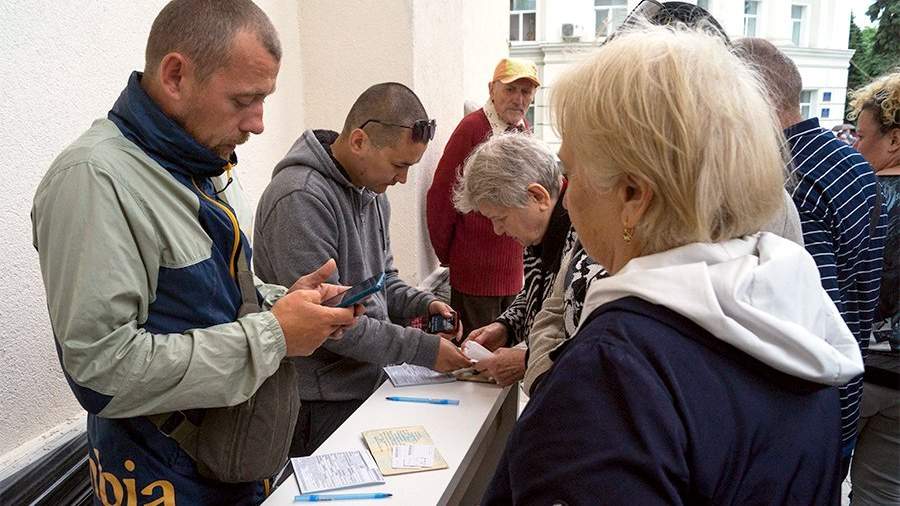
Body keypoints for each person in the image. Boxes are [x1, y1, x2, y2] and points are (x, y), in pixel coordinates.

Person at [483, 23, 863, 504]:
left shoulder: (616, 375)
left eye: (571, 173)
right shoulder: (795, 317)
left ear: (633, 196)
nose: (567, 197)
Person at [31, 1, 360, 504]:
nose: (259, 123)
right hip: (160, 481)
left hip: (229, 467)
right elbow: (101, 372)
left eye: (265, 99)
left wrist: (286, 304)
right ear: (175, 76)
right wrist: (275, 334)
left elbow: (210, 300)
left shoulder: (198, 159)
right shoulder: (93, 179)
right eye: (244, 100)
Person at [253, 83, 471, 457]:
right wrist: (424, 348)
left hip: (368, 382)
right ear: (359, 141)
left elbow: (383, 282)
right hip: (316, 403)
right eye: (399, 165)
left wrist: (422, 305)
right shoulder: (300, 198)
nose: (403, 180)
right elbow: (329, 325)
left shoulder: (372, 194)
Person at [734, 38, 887, 476]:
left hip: (806, 416)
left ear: (755, 97)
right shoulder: (849, 160)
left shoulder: (785, 178)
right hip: (841, 397)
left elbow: (804, 316)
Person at [452, 133, 608, 387]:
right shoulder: (538, 234)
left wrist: (526, 361)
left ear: (538, 197)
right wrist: (504, 327)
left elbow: (590, 347)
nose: (497, 231)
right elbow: (537, 296)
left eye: (501, 218)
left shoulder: (589, 241)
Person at [426, 58, 540, 334]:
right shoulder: (472, 127)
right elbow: (441, 196)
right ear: (492, 90)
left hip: (513, 273)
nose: (518, 99)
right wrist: (449, 254)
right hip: (474, 273)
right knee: (474, 350)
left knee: (504, 349)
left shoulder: (523, 129)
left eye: (525, 92)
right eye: (510, 89)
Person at [847, 70, 900, 506]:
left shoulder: (866, 197)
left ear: (894, 140)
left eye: (861, 137)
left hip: (859, 370)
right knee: (881, 496)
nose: (855, 146)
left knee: (815, 480)